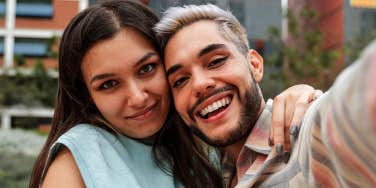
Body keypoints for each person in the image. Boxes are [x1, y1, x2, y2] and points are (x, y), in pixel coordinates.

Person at [29, 1, 319, 188]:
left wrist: (307, 99)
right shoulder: (81, 153)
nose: (138, 96)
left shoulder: (209, 154)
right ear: (86, 97)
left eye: (146, 69)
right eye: (108, 85)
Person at [154, 4, 376, 188]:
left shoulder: (302, 139)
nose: (200, 84)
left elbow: (354, 104)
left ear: (255, 65)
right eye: (180, 80)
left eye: (216, 61)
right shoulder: (206, 172)